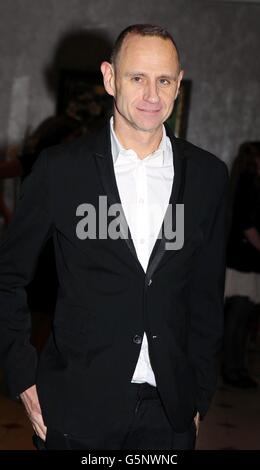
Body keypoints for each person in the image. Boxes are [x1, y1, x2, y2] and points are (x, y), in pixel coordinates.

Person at [0, 24, 228, 450]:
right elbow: (7, 278)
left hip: (170, 414)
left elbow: (206, 296)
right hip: (77, 407)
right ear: (109, 78)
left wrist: (199, 395)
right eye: (136, 77)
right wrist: (22, 377)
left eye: (163, 80)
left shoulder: (209, 177)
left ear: (178, 84)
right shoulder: (60, 170)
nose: (151, 95)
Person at [222, 142, 260, 388]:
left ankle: (235, 368)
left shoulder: (242, 182)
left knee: (239, 318)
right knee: (238, 318)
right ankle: (233, 369)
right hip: (243, 260)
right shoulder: (249, 184)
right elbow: (247, 224)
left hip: (242, 259)